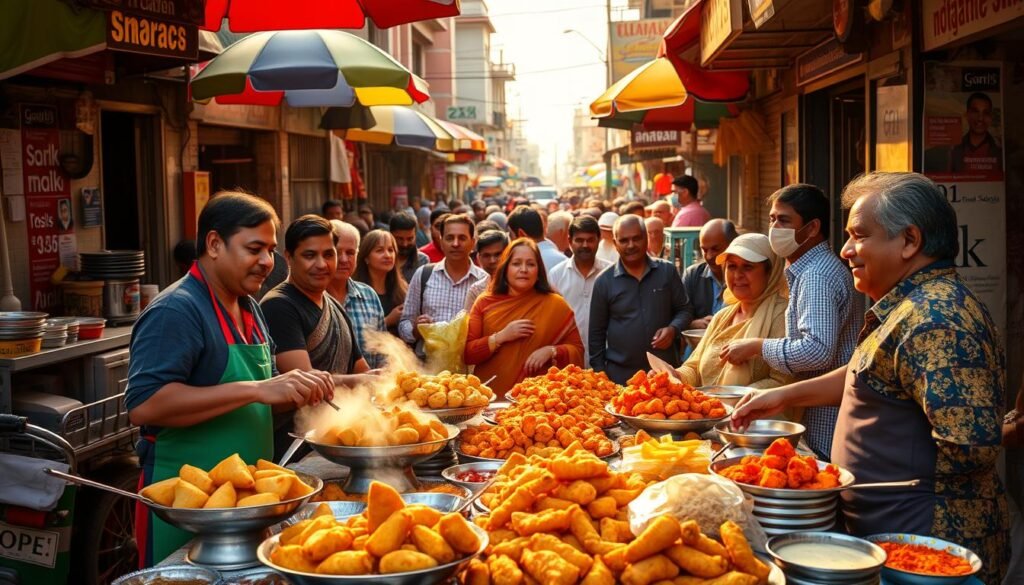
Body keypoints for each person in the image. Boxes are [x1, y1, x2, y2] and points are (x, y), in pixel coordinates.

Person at [733, 172, 1009, 584]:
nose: (846, 250)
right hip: (885, 534)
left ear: (909, 241)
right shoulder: (905, 305)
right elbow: (866, 372)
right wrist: (783, 397)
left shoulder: (935, 318)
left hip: (925, 548)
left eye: (859, 236)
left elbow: (970, 446)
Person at [126, 193, 333, 566]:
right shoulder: (177, 310)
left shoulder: (249, 306)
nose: (267, 262)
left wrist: (297, 387)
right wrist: (256, 388)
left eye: (271, 250)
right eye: (254, 249)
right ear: (214, 244)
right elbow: (145, 405)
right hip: (185, 512)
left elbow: (261, 394)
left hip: (246, 509)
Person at [720, 184, 861, 460]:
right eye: (772, 219)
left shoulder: (816, 276)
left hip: (826, 422)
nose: (774, 227)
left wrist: (757, 346)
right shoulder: (805, 270)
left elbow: (817, 350)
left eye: (784, 220)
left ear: (811, 228)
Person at [260, 216, 372, 453]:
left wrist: (383, 381)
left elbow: (359, 368)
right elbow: (305, 383)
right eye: (310, 255)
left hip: (338, 441)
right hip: (296, 447)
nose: (321, 264)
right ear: (288, 257)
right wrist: (362, 381)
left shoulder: (332, 304)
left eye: (328, 254)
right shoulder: (279, 306)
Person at [464, 238, 584, 396]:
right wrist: (501, 337)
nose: (524, 269)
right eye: (516, 263)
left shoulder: (555, 304)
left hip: (539, 402)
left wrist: (551, 351)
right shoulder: (484, 302)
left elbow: (577, 350)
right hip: (490, 400)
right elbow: (468, 353)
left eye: (530, 264)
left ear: (538, 270)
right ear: (506, 267)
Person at [673, 233, 791, 389]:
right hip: (712, 411)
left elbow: (782, 382)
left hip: (757, 413)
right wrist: (675, 376)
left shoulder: (783, 315)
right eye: (732, 266)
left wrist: (729, 398)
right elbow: (694, 367)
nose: (737, 275)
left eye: (748, 267)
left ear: (770, 272)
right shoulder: (723, 317)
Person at [589, 215, 691, 385]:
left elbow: (685, 310)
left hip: (665, 375)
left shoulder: (667, 272)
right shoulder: (604, 282)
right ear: (615, 244)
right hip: (621, 378)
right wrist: (602, 377)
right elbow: (596, 335)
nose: (631, 245)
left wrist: (673, 329)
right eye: (624, 240)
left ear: (646, 238)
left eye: (636, 238)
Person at [400, 214, 488, 357]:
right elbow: (405, 323)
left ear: (473, 243)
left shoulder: (484, 281)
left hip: (469, 367)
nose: (455, 243)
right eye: (449, 238)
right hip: (427, 368)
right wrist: (415, 330)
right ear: (441, 242)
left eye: (462, 238)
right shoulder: (423, 275)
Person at [548, 215, 611, 365]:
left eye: (590, 240)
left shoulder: (611, 272)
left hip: (607, 357)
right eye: (579, 240)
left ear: (598, 240)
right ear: (570, 242)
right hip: (569, 360)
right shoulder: (556, 274)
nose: (585, 245)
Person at [325, 220, 387, 369]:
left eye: (350, 253)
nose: (344, 259)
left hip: (367, 390)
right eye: (336, 252)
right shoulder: (310, 298)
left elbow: (383, 353)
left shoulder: (369, 296)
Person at [682, 219, 738, 329]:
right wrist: (693, 323)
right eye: (704, 250)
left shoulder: (744, 277)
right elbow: (681, 312)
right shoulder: (693, 275)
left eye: (715, 249)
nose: (709, 256)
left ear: (732, 245)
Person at [353, 229, 407, 337]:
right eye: (379, 250)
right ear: (366, 258)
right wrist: (387, 320)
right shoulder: (354, 292)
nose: (387, 255)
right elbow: (356, 334)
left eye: (391, 250)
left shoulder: (404, 289)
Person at [950, 92, 1003, 175]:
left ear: (991, 118)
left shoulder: (1000, 151)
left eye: (986, 113)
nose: (980, 118)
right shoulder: (955, 151)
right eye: (975, 112)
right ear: (967, 115)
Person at [507, 206, 565, 273]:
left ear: (521, 234)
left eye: (510, 235)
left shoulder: (519, 264)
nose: (510, 240)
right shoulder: (564, 261)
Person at [465, 230, 509, 311]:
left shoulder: (522, 284)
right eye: (486, 255)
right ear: (479, 258)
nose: (492, 260)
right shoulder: (476, 291)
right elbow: (470, 322)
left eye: (498, 254)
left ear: (509, 253)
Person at [389, 212, 430, 283]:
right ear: (390, 235)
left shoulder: (422, 261)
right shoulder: (384, 259)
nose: (405, 244)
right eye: (400, 239)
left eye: (410, 239)